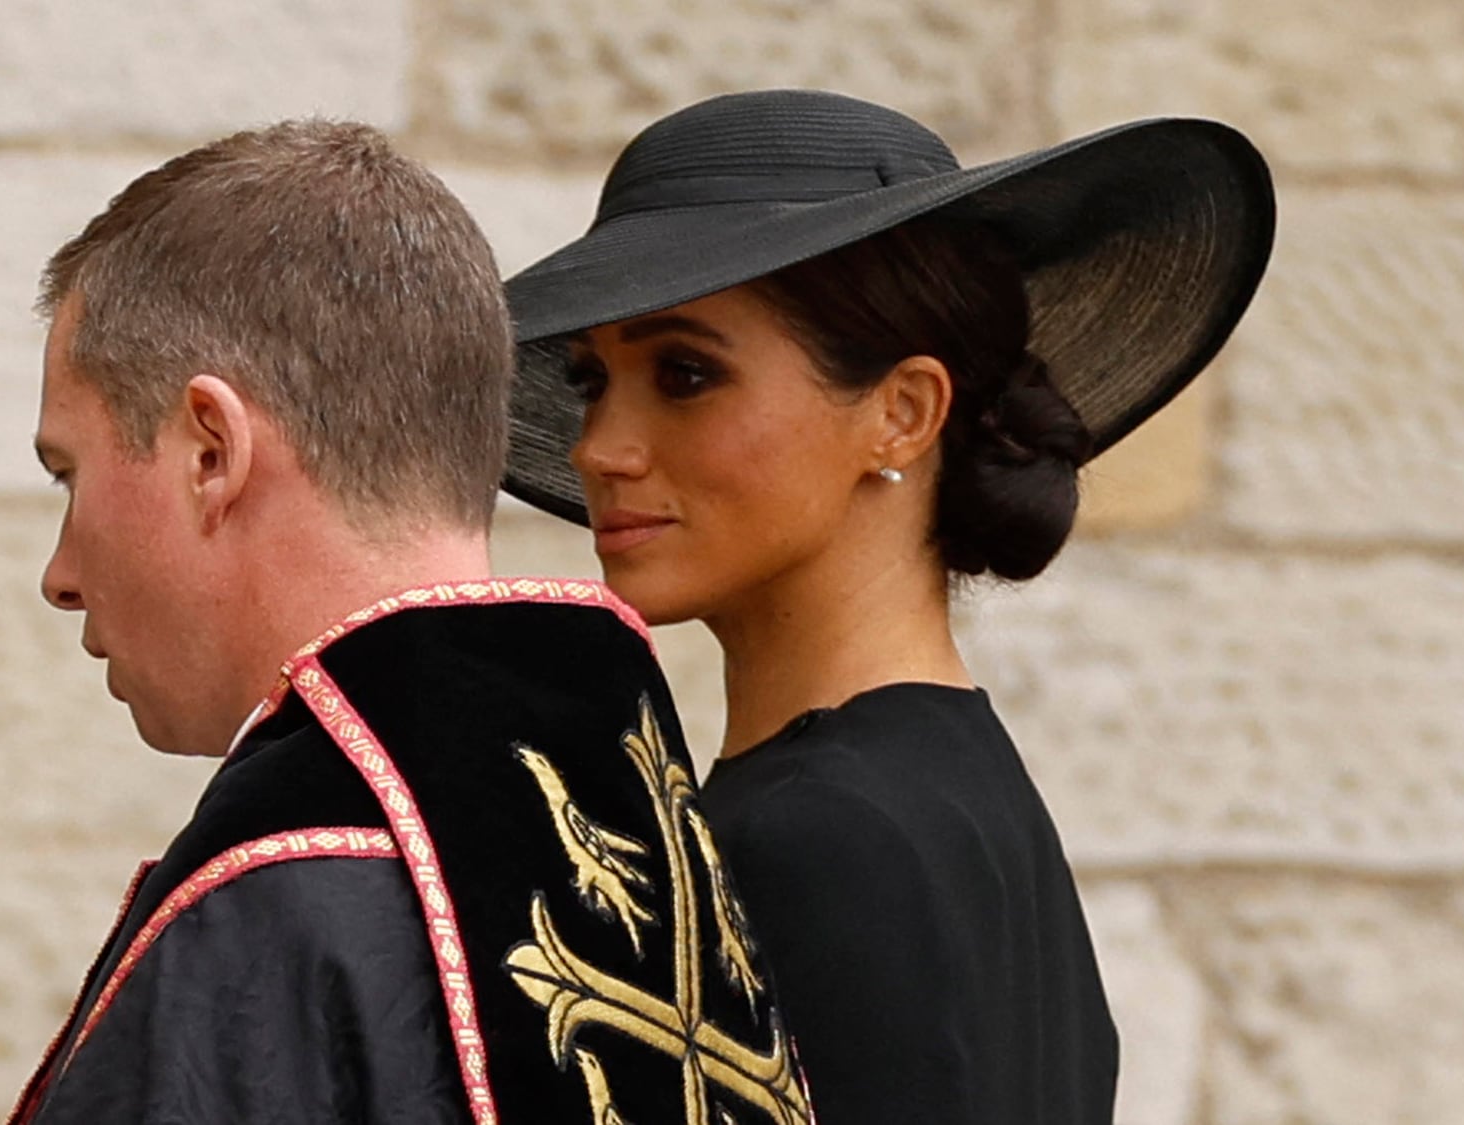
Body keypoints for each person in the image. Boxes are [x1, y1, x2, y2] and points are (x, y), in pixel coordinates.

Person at [9, 120, 810, 1125]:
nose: (61, 577)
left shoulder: (293, 893)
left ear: (211, 451)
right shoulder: (664, 867)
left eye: (69, 473)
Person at [500, 89, 1276, 1123]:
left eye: (684, 374)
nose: (599, 447)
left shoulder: (821, 837)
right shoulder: (964, 801)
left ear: (901, 413)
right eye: (591, 380)